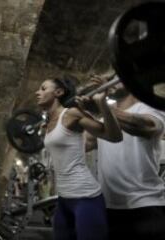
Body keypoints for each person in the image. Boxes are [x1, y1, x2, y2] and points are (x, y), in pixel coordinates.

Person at [35, 76, 122, 240]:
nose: (37, 92)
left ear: (58, 92)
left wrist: (102, 104)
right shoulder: (48, 123)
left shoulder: (72, 114)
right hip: (63, 199)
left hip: (86, 198)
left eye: (43, 88)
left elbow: (114, 136)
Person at [85, 76, 165, 240]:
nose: (109, 84)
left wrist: (102, 107)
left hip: (145, 205)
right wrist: (67, 116)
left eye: (116, 79)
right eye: (109, 80)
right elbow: (84, 144)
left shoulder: (150, 108)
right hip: (110, 207)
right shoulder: (103, 117)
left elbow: (145, 127)